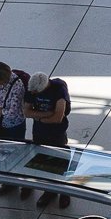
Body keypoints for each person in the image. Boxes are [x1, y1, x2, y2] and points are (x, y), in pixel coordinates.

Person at [24, 71, 71, 210]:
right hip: (39, 132)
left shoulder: (59, 89)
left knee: (61, 161)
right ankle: (49, 191)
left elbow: (58, 118)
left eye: (36, 92)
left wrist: (38, 117)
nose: (32, 94)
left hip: (56, 133)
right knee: (43, 161)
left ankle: (65, 192)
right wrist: (46, 115)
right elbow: (26, 112)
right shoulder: (32, 88)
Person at [0, 62, 29, 197]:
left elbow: (13, 112)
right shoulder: (0, 83)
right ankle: (8, 182)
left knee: (17, 154)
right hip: (1, 124)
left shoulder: (17, 87)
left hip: (14, 126)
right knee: (3, 154)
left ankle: (25, 184)